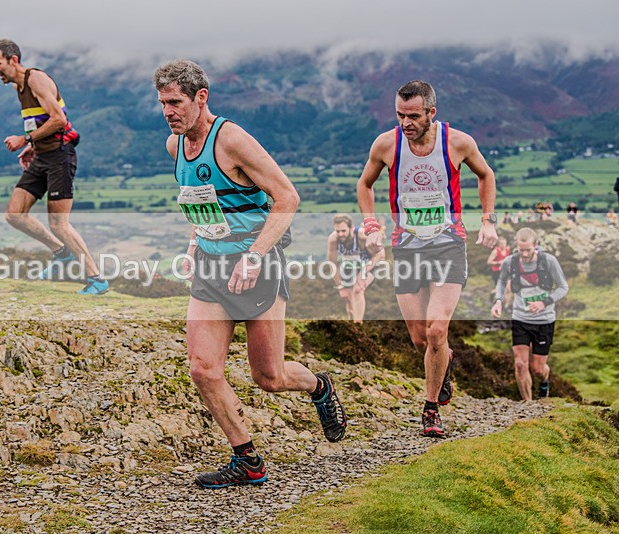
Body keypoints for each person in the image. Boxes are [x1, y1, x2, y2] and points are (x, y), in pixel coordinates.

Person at [153, 60, 347, 488]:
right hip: (210, 267)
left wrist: (255, 255)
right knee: (203, 368)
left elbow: (287, 197)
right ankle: (248, 460)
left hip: (258, 263)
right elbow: (201, 202)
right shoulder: (175, 146)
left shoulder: (232, 140)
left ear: (201, 97)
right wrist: (193, 245)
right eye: (163, 103)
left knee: (269, 377)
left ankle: (319, 387)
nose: (168, 112)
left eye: (176, 102)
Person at [357, 80, 498, 438]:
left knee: (438, 329)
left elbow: (486, 175)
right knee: (421, 339)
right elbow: (365, 185)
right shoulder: (386, 145)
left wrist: (488, 220)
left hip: (448, 244)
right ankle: (443, 358)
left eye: (414, 116)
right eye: (401, 115)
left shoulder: (458, 142)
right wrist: (371, 224)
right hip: (406, 247)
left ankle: (430, 408)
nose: (406, 123)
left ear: (431, 113)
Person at [0, 39, 108, 295]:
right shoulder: (18, 86)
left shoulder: (36, 79)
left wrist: (25, 139)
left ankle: (97, 279)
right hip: (42, 156)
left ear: (14, 60)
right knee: (14, 214)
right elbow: (41, 122)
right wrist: (32, 147)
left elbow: (59, 120)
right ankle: (61, 253)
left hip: (60, 157)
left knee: (59, 224)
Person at [491, 228, 568, 400]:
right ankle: (529, 405)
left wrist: (544, 302)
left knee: (538, 369)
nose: (524, 254)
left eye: (528, 250)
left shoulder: (548, 261)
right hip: (520, 318)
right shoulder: (510, 262)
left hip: (544, 321)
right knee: (519, 364)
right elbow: (501, 282)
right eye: (521, 250)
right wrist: (498, 301)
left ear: (536, 245)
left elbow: (563, 287)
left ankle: (544, 382)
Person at [326, 214, 384, 322]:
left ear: (351, 228)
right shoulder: (333, 239)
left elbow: (378, 255)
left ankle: (358, 324)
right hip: (350, 265)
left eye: (343, 230)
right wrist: (340, 287)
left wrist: (363, 273)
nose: (340, 234)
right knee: (348, 297)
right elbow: (332, 264)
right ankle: (351, 324)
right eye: (337, 231)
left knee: (358, 289)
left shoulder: (362, 235)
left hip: (370, 263)